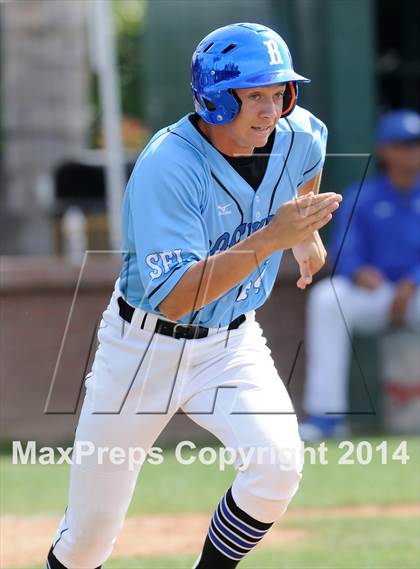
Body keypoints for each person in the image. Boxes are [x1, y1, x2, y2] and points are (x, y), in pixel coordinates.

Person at [46, 23, 341, 569]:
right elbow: (176, 298)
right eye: (253, 95)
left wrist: (303, 234)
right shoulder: (168, 165)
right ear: (214, 97)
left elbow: (307, 168)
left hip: (230, 346)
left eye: (278, 93)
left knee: (277, 467)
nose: (270, 109)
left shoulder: (300, 133)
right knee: (88, 541)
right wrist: (273, 238)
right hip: (140, 352)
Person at [300, 109, 420, 442]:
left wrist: (412, 281)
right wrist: (359, 272)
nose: (412, 151)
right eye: (403, 144)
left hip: (415, 294)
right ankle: (327, 417)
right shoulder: (363, 195)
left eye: (416, 144)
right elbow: (343, 252)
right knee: (328, 299)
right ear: (385, 150)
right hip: (378, 295)